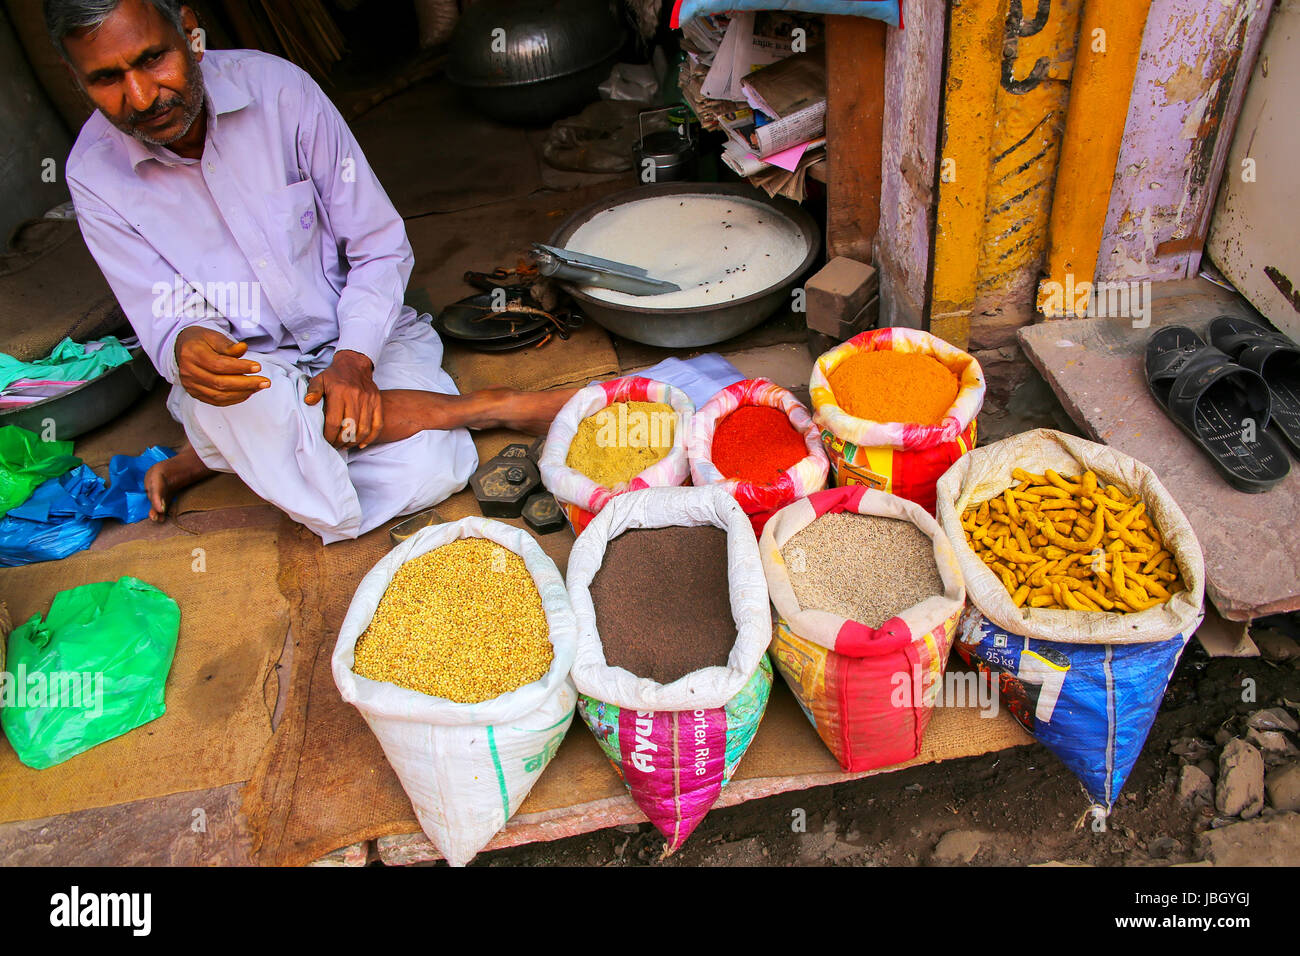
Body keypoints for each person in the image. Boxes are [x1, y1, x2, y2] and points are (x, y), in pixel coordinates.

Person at [50, 0, 574, 543]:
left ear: (190, 34)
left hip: (351, 339)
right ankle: (484, 407)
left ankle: (218, 457)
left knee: (432, 470)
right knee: (253, 403)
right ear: (75, 78)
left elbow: (378, 245)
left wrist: (354, 360)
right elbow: (163, 315)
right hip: (256, 381)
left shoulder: (281, 93)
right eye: (107, 78)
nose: (140, 97)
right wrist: (185, 342)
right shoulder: (94, 175)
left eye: (154, 59)